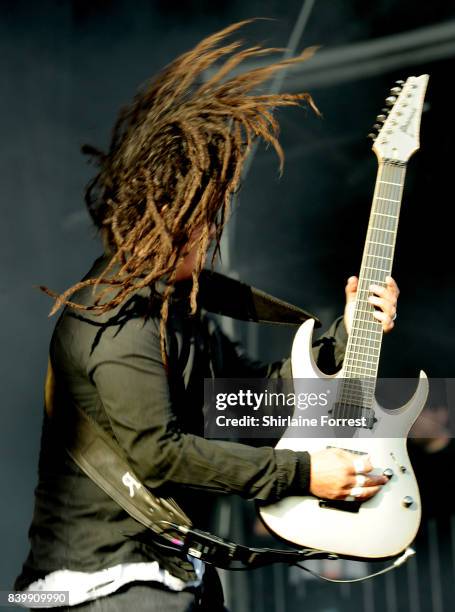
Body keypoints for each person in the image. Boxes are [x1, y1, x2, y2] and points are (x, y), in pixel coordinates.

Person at [14, 21, 398, 611]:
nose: (208, 232)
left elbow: (247, 405)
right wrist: (302, 474)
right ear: (160, 217)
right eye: (200, 216)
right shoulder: (112, 322)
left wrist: (348, 336)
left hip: (170, 575)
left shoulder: (180, 311)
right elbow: (159, 455)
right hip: (105, 586)